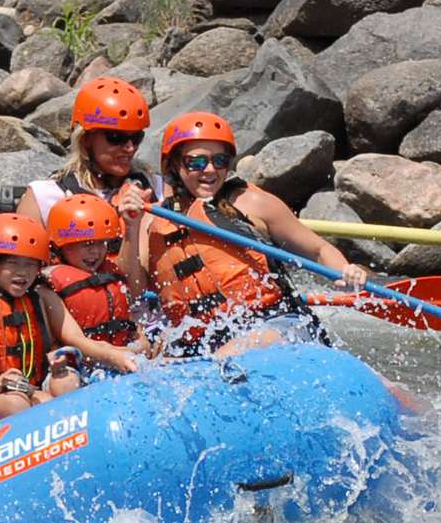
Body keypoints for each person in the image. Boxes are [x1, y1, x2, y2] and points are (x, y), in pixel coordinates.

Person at [130, 111, 367, 358]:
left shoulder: (250, 202)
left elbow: (319, 250)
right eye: (197, 162)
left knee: (226, 356)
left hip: (274, 324)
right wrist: (131, 228)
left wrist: (344, 270)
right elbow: (136, 294)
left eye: (220, 161)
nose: (210, 170)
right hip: (201, 338)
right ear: (173, 166)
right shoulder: (153, 220)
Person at [0, 213, 138, 421]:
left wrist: (56, 360)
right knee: (16, 403)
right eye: (13, 263)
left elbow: (75, 339)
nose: (23, 273)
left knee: (66, 385)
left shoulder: (38, 296)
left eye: (30, 264)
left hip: (26, 389)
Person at [15, 77, 157, 284]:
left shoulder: (155, 189)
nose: (129, 148)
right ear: (86, 138)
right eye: (115, 138)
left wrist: (132, 228)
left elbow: (138, 291)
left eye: (136, 138)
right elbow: (21, 276)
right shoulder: (44, 196)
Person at [44, 194, 144, 351]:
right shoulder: (47, 285)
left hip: (118, 358)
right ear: (59, 245)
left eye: (101, 243)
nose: (96, 252)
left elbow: (134, 327)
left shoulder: (109, 273)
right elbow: (73, 340)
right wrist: (117, 355)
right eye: (88, 244)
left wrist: (142, 345)